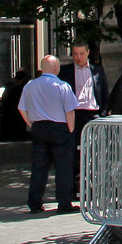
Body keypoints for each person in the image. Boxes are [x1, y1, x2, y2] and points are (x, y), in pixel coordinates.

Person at [20, 54, 79, 213]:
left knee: (39, 167)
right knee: (63, 168)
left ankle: (35, 203)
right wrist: (70, 129)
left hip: (39, 127)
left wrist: (31, 124)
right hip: (60, 128)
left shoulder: (30, 85)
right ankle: (64, 203)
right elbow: (70, 111)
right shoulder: (62, 86)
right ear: (55, 68)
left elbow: (22, 108)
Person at [63, 44, 105, 202]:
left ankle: (93, 187)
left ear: (87, 53)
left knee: (94, 151)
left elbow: (103, 91)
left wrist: (103, 112)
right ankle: (76, 187)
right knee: (74, 151)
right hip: (75, 113)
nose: (78, 57)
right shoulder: (66, 71)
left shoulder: (96, 70)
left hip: (93, 113)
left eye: (81, 53)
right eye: (75, 54)